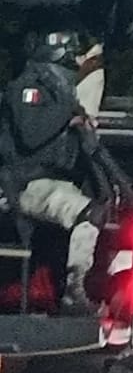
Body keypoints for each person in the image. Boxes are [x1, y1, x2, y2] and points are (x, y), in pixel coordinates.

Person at [0, 34, 107, 313]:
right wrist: (68, 111)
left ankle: (81, 287)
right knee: (88, 214)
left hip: (48, 182)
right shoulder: (27, 87)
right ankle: (75, 290)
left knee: (102, 209)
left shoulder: (59, 90)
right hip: (23, 183)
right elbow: (31, 134)